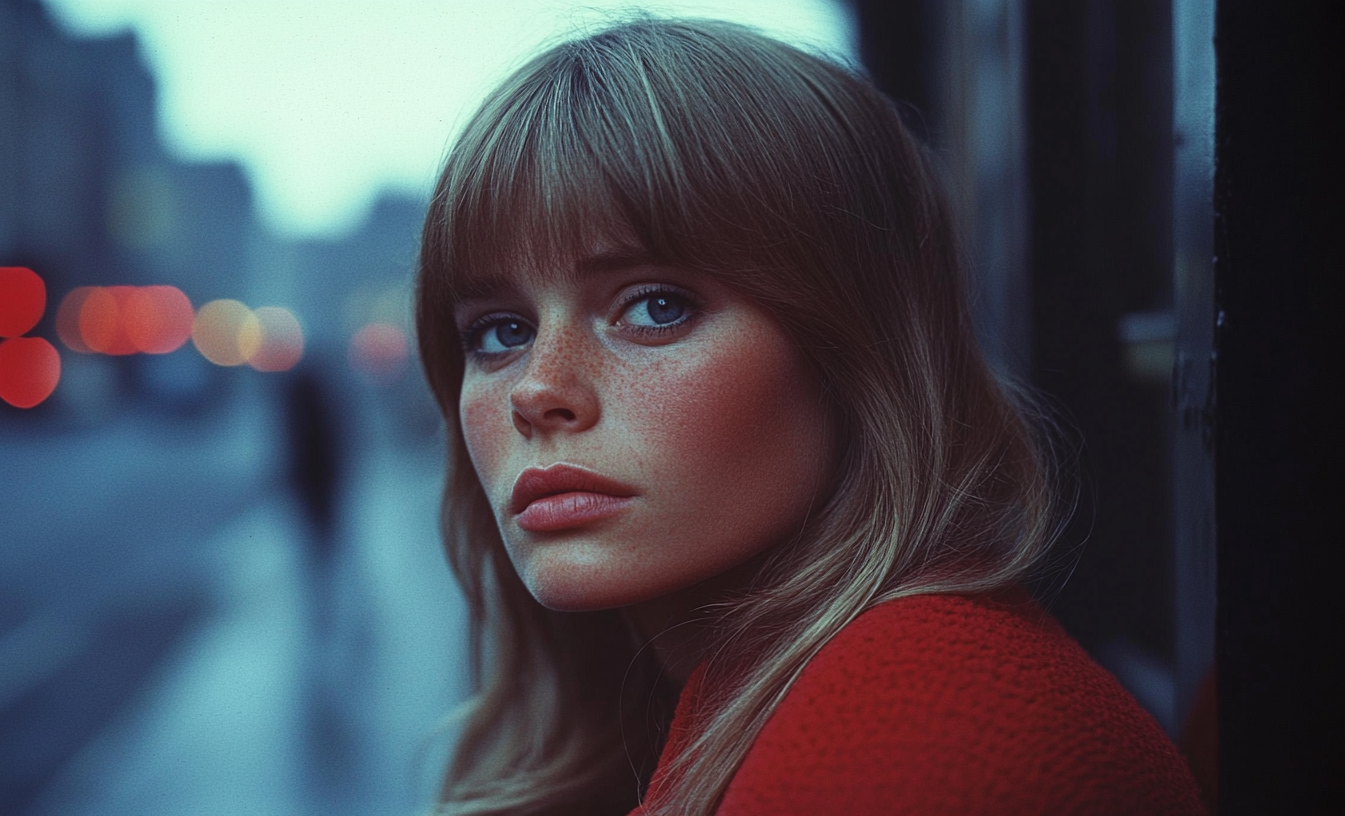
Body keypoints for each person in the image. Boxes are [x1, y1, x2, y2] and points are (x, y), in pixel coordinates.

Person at [412, 18, 1204, 816]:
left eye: (655, 307)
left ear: (857, 352)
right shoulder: (701, 714)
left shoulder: (909, 748)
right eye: (500, 331)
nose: (535, 389)